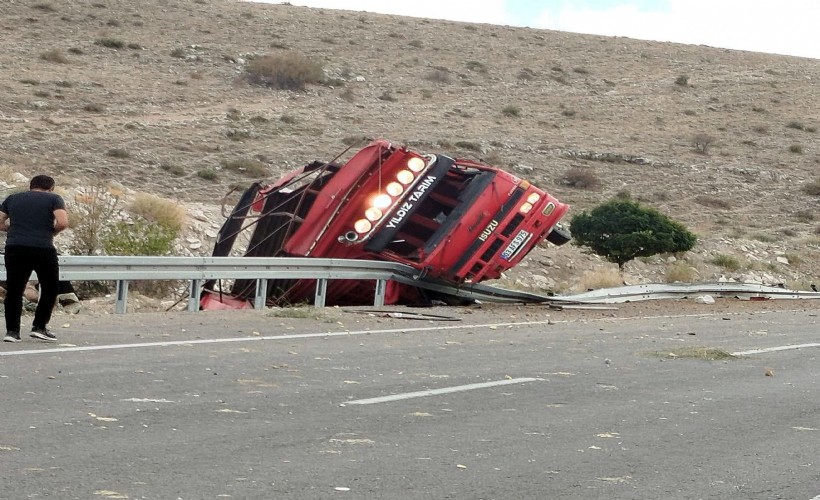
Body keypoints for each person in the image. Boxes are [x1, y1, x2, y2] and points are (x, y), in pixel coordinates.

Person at [0, 175, 69, 342]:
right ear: (51, 187)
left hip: (15, 247)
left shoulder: (13, 198)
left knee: (15, 289)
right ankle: (39, 327)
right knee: (50, 287)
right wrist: (51, 232)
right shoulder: (54, 198)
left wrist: (11, 229)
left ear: (31, 186)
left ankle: (12, 332)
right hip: (42, 248)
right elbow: (63, 222)